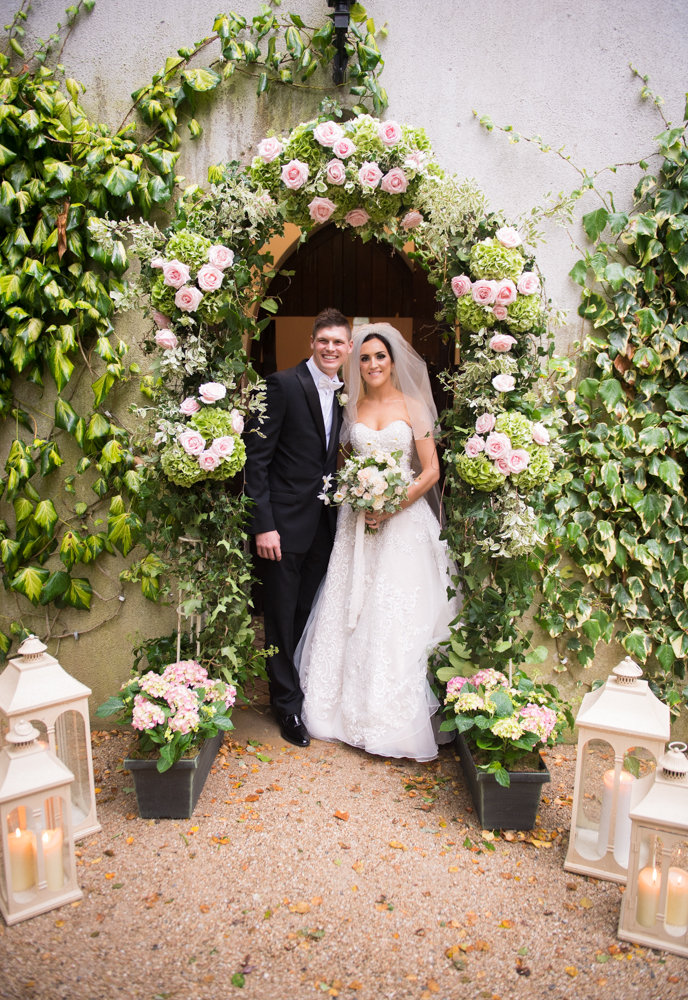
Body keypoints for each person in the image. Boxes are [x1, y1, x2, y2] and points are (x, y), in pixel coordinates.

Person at [295, 323, 461, 762]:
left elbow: (430, 472)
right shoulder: (352, 409)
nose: (371, 365)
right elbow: (345, 464)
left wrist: (392, 505)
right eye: (364, 358)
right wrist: (358, 493)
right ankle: (340, 713)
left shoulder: (413, 406)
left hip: (401, 522)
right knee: (351, 609)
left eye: (379, 357)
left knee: (393, 614)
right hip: (357, 524)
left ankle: (390, 717)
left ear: (392, 362)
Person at [244, 308, 353, 748]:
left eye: (338, 342)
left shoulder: (345, 395)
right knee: (281, 620)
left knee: (310, 616)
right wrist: (263, 525)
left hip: (325, 527)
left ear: (348, 348)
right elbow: (256, 460)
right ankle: (286, 707)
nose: (330, 348)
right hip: (282, 528)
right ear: (312, 342)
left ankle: (305, 690)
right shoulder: (282, 385)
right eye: (323, 340)